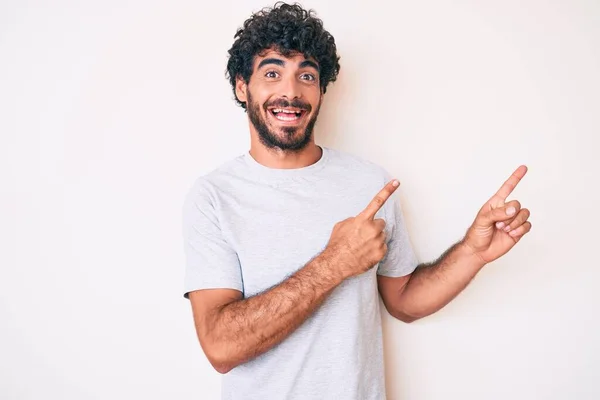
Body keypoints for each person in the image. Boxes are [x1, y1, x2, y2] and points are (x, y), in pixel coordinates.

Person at [181, 2, 532, 399]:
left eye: (307, 75)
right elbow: (221, 347)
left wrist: (472, 252)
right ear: (243, 87)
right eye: (273, 72)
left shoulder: (369, 183)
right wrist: (335, 263)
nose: (290, 92)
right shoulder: (214, 197)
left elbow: (403, 301)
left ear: (321, 89)